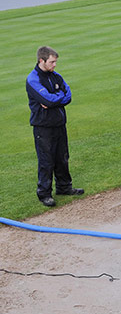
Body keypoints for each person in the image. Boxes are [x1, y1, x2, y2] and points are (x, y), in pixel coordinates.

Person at [25, 46, 84, 207]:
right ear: (41, 61)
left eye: (55, 61)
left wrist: (53, 101)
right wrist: (55, 100)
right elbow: (49, 100)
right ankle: (44, 193)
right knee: (46, 160)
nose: (55, 65)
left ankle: (64, 187)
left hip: (59, 124)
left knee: (62, 157)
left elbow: (68, 95)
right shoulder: (33, 79)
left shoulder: (56, 76)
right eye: (52, 62)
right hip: (43, 127)